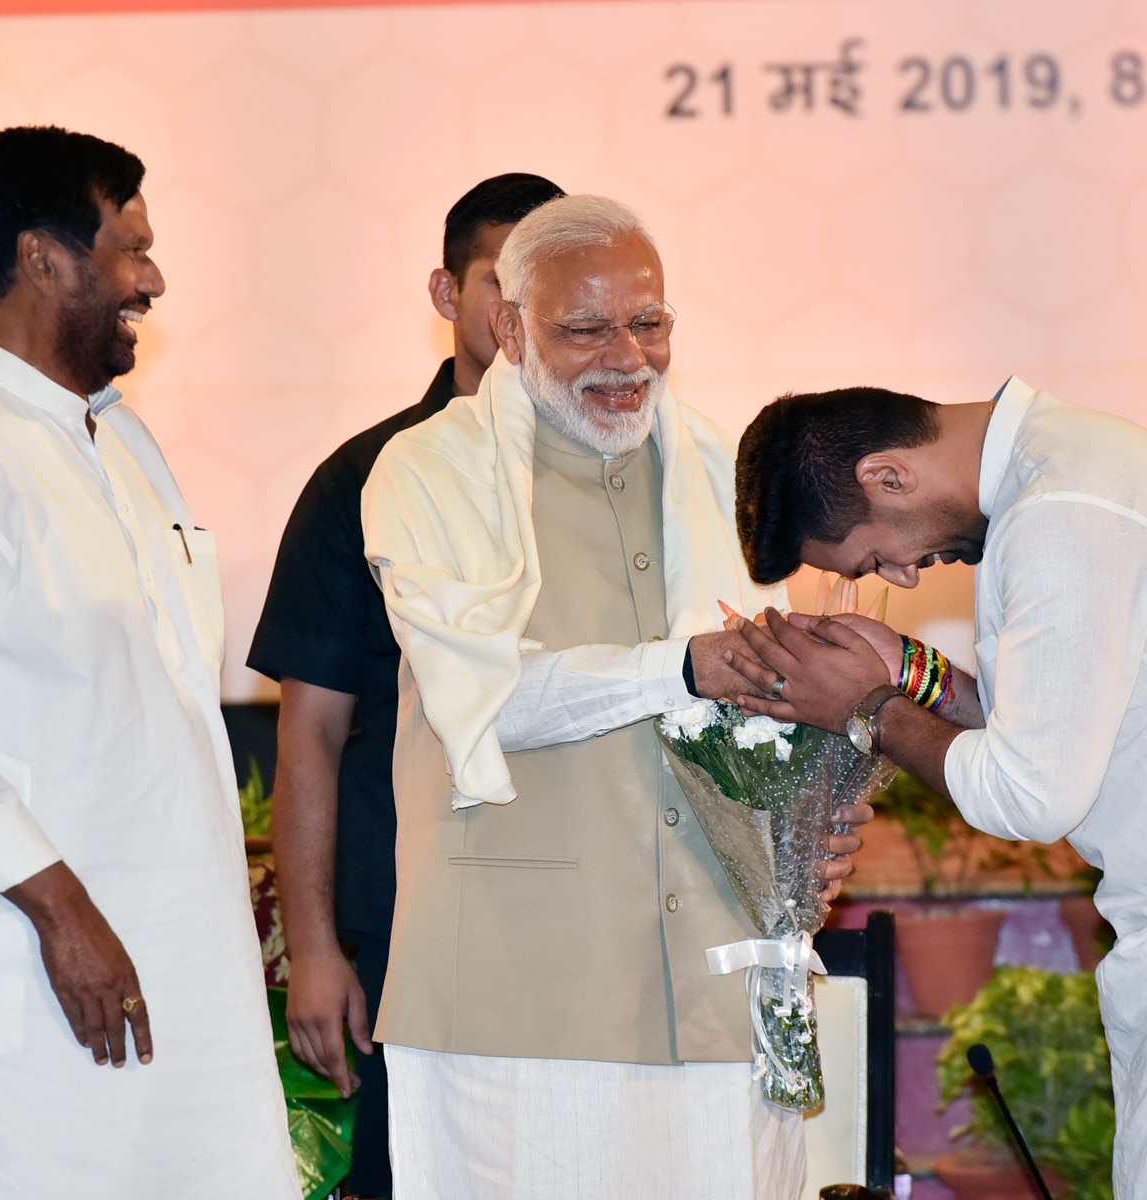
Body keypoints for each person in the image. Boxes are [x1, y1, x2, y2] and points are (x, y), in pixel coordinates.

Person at [360, 194, 870, 1200]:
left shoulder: (723, 467)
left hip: (726, 993)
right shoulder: (428, 471)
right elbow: (489, 695)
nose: (626, 356)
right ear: (508, 327)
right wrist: (679, 666)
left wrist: (820, 812)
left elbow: (785, 682)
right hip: (519, 1005)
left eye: (651, 322)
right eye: (585, 327)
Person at [0, 126, 299, 1200]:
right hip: (47, 969)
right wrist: (64, 911)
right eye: (128, 250)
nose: (152, 280)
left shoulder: (123, 442)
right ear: (43, 258)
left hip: (185, 961)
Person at [732, 379, 1147, 1197]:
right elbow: (1046, 721)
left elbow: (1032, 793)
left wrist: (865, 709)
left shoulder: (1058, 509)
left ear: (888, 476)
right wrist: (903, 665)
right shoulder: (1065, 468)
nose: (906, 576)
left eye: (875, 554)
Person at [247, 172, 564, 1199]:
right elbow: (309, 739)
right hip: (408, 939)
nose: (524, 316)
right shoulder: (363, 481)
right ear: (445, 290)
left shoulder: (614, 478)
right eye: (496, 283)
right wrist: (314, 952)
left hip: (572, 930)